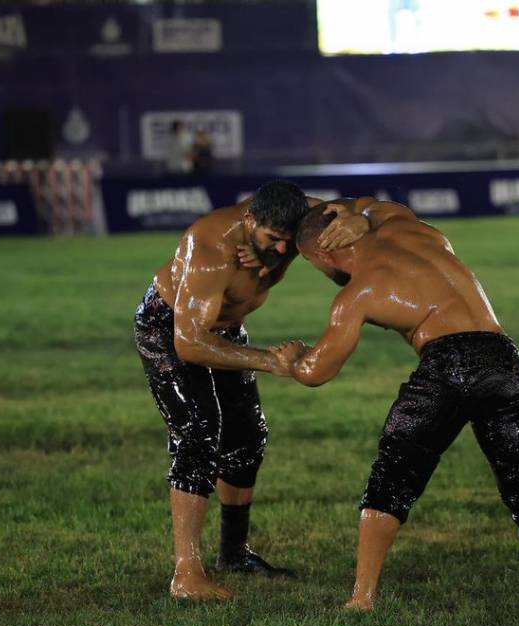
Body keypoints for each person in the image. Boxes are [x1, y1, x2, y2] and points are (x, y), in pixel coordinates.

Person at [276, 199, 519, 616]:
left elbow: (316, 372)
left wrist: (292, 358)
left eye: (315, 264)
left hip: (447, 363)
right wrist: (355, 214)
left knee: (393, 476)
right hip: (504, 358)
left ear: (324, 252)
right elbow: (372, 204)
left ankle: (361, 599)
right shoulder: (409, 227)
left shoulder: (359, 291)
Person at [133, 180, 368, 601]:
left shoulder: (291, 219)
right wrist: (269, 361)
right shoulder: (208, 249)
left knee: (247, 437)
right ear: (249, 220)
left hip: (224, 330)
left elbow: (349, 209)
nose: (281, 251)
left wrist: (356, 218)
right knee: (199, 434)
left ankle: (234, 553)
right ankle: (186, 575)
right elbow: (190, 343)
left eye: (288, 242)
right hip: (171, 330)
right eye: (273, 240)